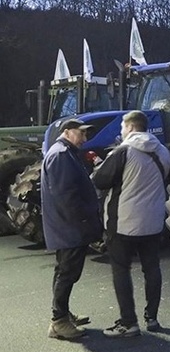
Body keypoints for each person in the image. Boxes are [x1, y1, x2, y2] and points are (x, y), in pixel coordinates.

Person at [92, 110, 170, 338]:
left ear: (129, 127)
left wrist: (100, 166)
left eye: (121, 128)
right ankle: (153, 318)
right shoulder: (163, 153)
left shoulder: (123, 152)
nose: (121, 131)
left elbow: (100, 180)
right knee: (152, 268)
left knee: (121, 270)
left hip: (123, 224)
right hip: (153, 221)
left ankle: (129, 322)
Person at [42, 118, 103, 340]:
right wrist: (83, 222)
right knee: (67, 273)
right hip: (69, 227)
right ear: (67, 132)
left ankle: (63, 315)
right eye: (81, 134)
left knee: (64, 271)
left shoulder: (64, 153)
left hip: (68, 226)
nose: (85, 139)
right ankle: (58, 322)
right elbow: (65, 196)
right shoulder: (60, 155)